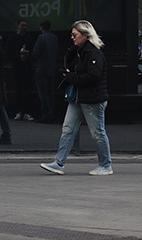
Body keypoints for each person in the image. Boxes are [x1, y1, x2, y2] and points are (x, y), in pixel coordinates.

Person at [41, 21, 113, 176]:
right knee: (68, 129)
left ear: (85, 35)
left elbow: (93, 76)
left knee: (97, 133)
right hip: (78, 98)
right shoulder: (80, 52)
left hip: (92, 99)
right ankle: (59, 163)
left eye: (75, 35)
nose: (72, 37)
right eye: (72, 34)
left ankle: (105, 164)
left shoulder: (94, 53)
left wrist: (71, 77)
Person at [3, 19, 35, 121]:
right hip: (17, 67)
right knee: (18, 90)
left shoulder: (29, 38)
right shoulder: (12, 38)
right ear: (18, 26)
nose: (24, 27)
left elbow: (33, 52)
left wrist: (28, 56)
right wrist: (18, 57)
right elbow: (8, 53)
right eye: (22, 25)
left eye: (25, 26)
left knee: (27, 90)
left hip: (27, 67)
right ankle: (19, 111)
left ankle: (27, 111)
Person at [31, 20, 61, 123]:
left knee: (43, 94)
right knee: (50, 93)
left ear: (41, 27)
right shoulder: (54, 38)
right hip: (51, 68)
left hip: (42, 68)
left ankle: (45, 115)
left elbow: (35, 53)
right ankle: (51, 114)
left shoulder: (41, 38)